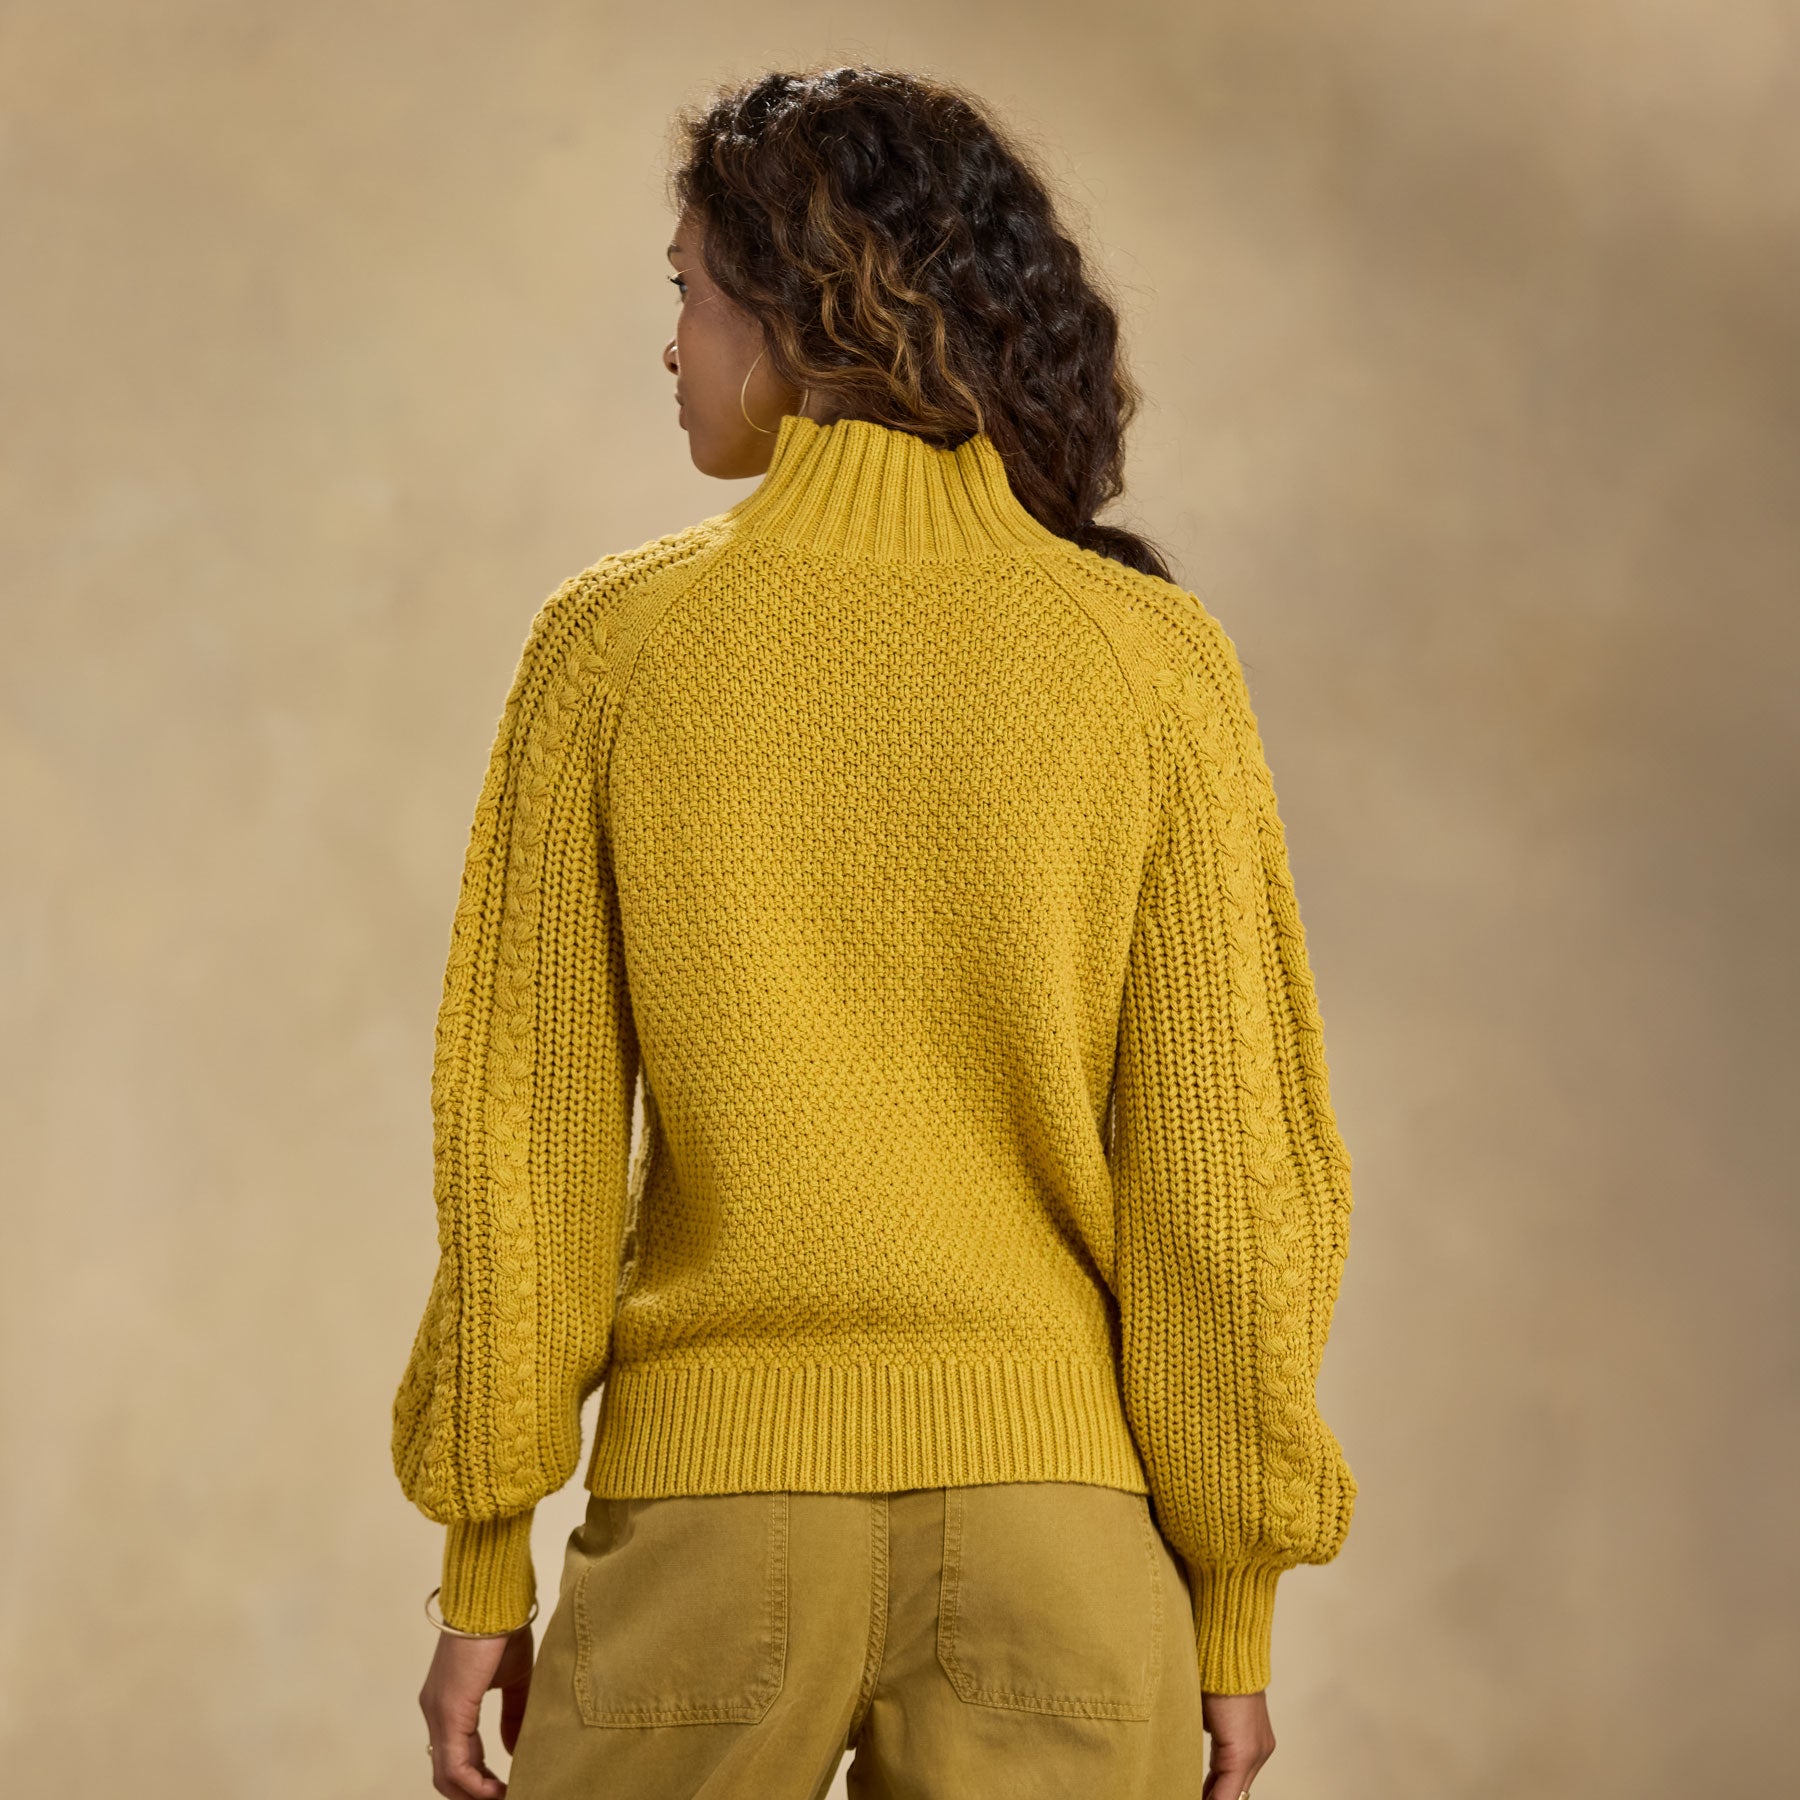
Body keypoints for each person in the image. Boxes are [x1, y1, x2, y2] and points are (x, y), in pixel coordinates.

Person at [396, 62, 1358, 1800]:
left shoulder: (611, 652)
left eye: (691, 294)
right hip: (1064, 1545)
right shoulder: (1149, 663)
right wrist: (1235, 1604)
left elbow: (524, 1146)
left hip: (708, 1521)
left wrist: (485, 1564)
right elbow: (1225, 1177)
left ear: (800, 317)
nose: (672, 344)